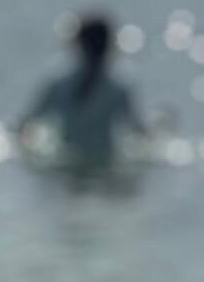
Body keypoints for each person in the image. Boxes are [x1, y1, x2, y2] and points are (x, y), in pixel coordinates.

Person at [18, 13, 147, 174]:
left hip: (64, 168)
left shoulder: (57, 84)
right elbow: (138, 133)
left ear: (77, 44)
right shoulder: (119, 88)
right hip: (106, 166)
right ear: (110, 45)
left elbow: (27, 125)